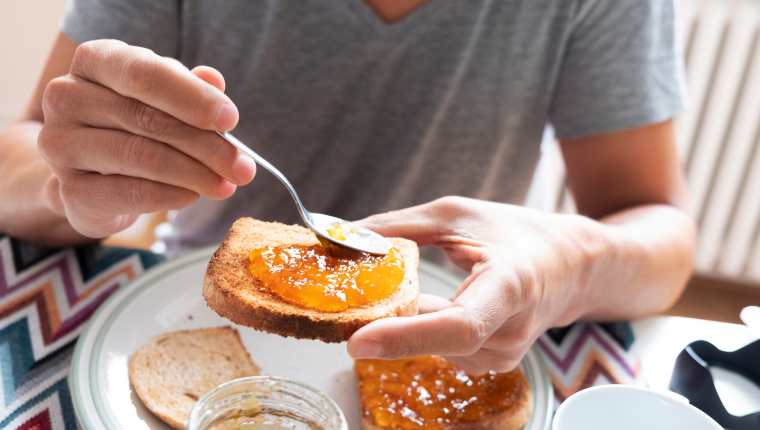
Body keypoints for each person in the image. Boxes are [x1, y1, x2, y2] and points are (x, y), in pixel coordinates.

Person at [0, 0, 695, 374]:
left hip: (450, 340)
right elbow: (21, 152)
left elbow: (659, 234)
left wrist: (567, 266)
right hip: (190, 318)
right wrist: (67, 187)